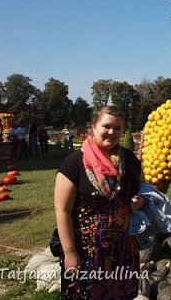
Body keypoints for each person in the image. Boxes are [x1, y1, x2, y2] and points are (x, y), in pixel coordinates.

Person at [54, 106, 145, 299]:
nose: (112, 132)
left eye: (118, 128)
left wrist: (140, 201)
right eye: (106, 126)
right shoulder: (74, 163)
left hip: (124, 250)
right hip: (87, 253)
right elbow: (63, 210)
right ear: (93, 127)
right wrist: (70, 252)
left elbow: (143, 189)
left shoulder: (128, 158)